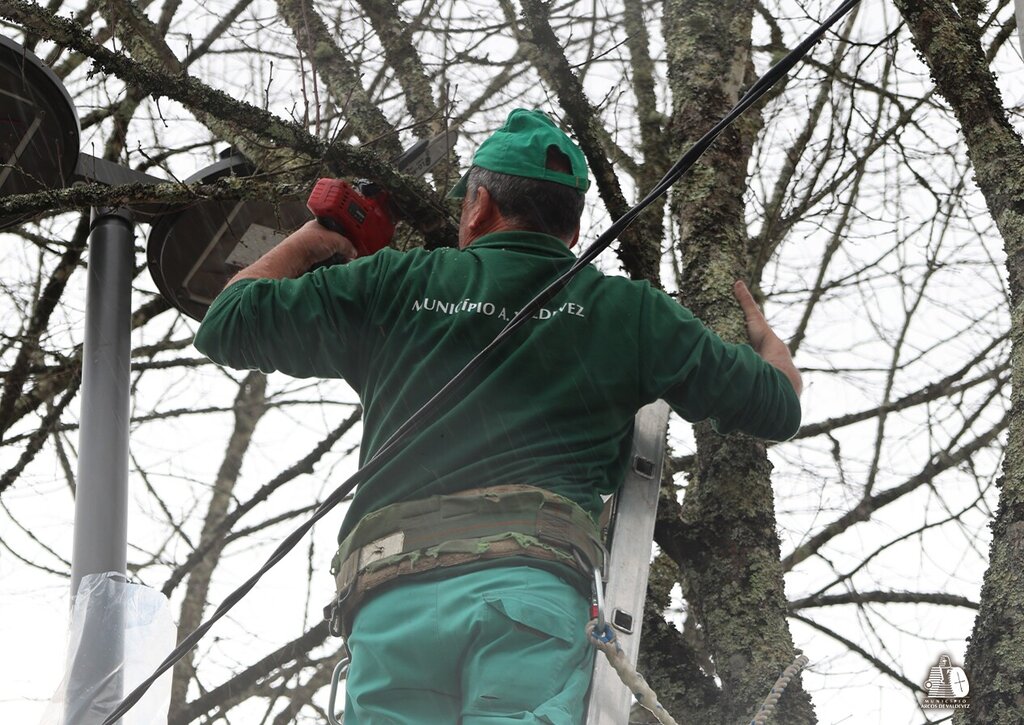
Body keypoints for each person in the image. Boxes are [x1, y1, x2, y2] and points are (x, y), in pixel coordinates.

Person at [194, 108, 802, 724]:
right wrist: (774, 355)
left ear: (479, 204)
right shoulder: (630, 311)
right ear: (573, 225)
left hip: (391, 592)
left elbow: (227, 320)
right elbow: (777, 406)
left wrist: (323, 235)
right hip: (528, 591)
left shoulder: (394, 282)